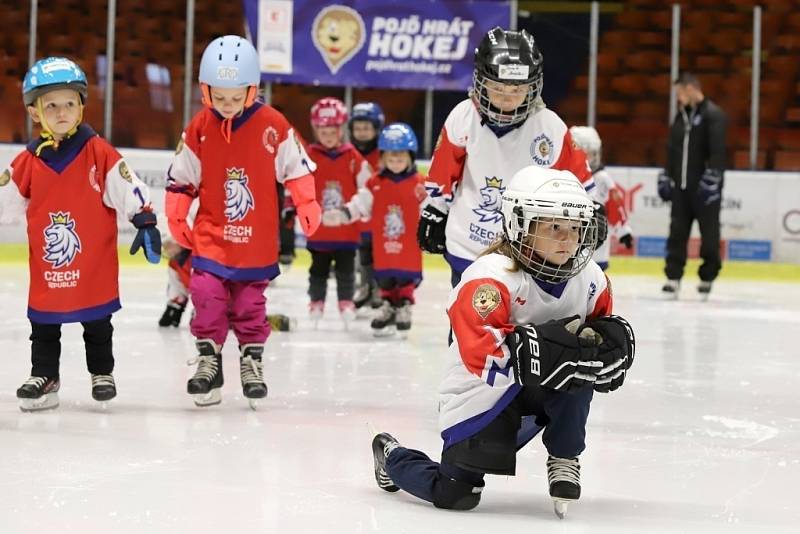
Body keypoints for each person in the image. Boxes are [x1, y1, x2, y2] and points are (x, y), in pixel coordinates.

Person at [370, 166, 635, 518]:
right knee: (455, 495)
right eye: (554, 226)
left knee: (583, 357)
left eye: (574, 228)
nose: (567, 239)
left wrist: (606, 347)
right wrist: (553, 354)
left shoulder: (591, 280)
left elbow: (597, 335)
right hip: (482, 393)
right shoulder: (490, 277)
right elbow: (482, 357)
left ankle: (565, 455)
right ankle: (392, 458)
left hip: (542, 389)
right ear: (520, 224)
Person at [165, 35, 321, 408]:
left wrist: (306, 201)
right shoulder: (200, 126)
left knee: (250, 305)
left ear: (253, 90)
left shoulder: (273, 125)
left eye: (236, 98)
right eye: (219, 98)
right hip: (211, 237)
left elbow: (296, 168)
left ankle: (251, 359)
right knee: (205, 295)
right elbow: (182, 175)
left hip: (257, 242)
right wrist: (175, 212)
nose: (228, 106)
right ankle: (209, 360)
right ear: (205, 91)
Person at [0, 57, 161, 411]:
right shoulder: (30, 161)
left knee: (97, 323)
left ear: (82, 107)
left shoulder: (98, 152)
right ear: (34, 112)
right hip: (49, 265)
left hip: (93, 263)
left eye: (70, 103)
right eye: (52, 105)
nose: (62, 112)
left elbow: (127, 185)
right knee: (43, 324)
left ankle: (102, 372)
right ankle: (45, 376)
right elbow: (5, 200)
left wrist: (145, 218)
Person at [418, 26, 601, 288]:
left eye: (517, 90)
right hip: (469, 244)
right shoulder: (463, 116)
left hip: (528, 250)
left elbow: (579, 180)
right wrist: (434, 209)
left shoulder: (550, 126)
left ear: (533, 87)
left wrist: (594, 209)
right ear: (481, 82)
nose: (506, 99)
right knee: (468, 321)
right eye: (497, 88)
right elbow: (444, 172)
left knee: (520, 322)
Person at [322, 123, 426, 337]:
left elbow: (432, 208)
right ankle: (388, 306)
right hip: (384, 246)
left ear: (410, 158)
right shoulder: (375, 183)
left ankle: (404, 306)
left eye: (400, 159)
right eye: (391, 159)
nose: (395, 164)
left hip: (408, 247)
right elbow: (360, 203)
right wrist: (343, 214)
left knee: (405, 279)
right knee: (385, 279)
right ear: (383, 159)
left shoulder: (420, 184)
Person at [658, 72, 727, 301]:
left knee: (709, 236)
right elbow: (672, 150)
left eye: (679, 93)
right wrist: (667, 175)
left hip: (705, 191)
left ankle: (707, 276)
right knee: (676, 234)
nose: (678, 98)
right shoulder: (681, 117)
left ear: (690, 88)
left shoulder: (713, 115)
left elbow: (718, 152)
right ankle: (673, 277)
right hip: (682, 189)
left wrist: (712, 180)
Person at [305, 97, 372, 328]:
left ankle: (346, 302)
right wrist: (294, 209)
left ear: (341, 129)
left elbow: (368, 187)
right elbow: (298, 185)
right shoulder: (309, 155)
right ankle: (316, 301)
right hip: (319, 230)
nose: (328, 135)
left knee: (346, 272)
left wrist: (354, 211)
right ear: (315, 130)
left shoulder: (352, 156)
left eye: (332, 130)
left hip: (346, 231)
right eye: (323, 130)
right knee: (318, 270)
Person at [570, 126, 633, 270]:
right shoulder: (563, 178)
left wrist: (624, 231)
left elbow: (615, 206)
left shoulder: (602, 179)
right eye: (586, 155)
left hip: (597, 251)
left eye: (592, 154)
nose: (590, 160)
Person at [348, 102, 385, 310]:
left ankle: (380, 288)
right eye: (358, 128)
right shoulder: (348, 154)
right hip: (359, 216)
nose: (362, 133)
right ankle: (364, 286)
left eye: (367, 128)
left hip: (381, 218)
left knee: (380, 256)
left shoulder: (387, 153)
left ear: (377, 129)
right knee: (363, 255)